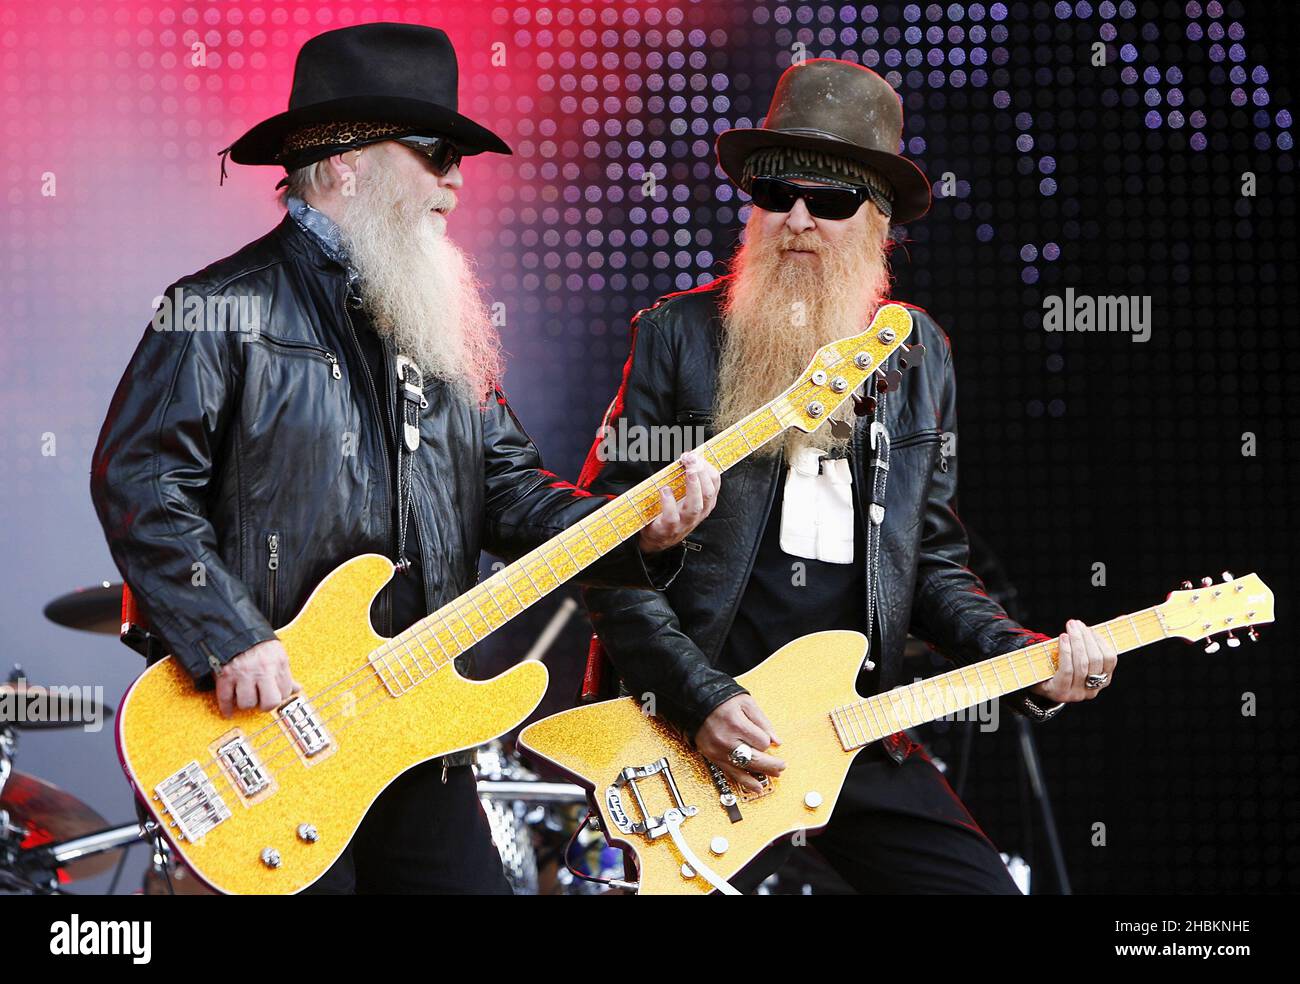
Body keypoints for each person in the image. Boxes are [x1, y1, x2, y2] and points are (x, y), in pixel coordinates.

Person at [89, 23, 719, 895]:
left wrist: (636, 532)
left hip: (416, 732)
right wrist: (230, 635)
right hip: (272, 733)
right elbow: (143, 485)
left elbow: (511, 493)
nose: (457, 179)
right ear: (345, 162)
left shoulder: (432, 328)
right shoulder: (217, 308)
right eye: (436, 151)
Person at [577, 59, 1116, 894]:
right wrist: (697, 698)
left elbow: (931, 564)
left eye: (827, 200)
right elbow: (603, 555)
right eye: (775, 196)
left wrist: (1027, 660)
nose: (796, 219)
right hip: (686, 732)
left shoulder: (918, 355)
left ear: (878, 221)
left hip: (847, 726)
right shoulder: (677, 337)